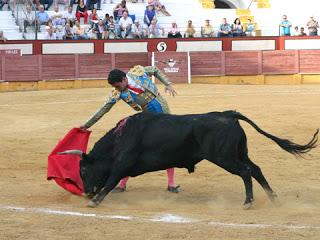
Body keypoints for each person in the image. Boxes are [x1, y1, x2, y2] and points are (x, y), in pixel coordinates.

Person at [80, 65, 180, 193]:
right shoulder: (118, 93)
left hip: (162, 108)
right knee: (133, 147)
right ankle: (122, 184)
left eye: (117, 86)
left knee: (167, 145)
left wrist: (168, 83)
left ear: (124, 79)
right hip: (146, 116)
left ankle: (171, 183)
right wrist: (87, 125)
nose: (116, 89)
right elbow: (103, 109)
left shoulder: (137, 72)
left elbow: (155, 70)